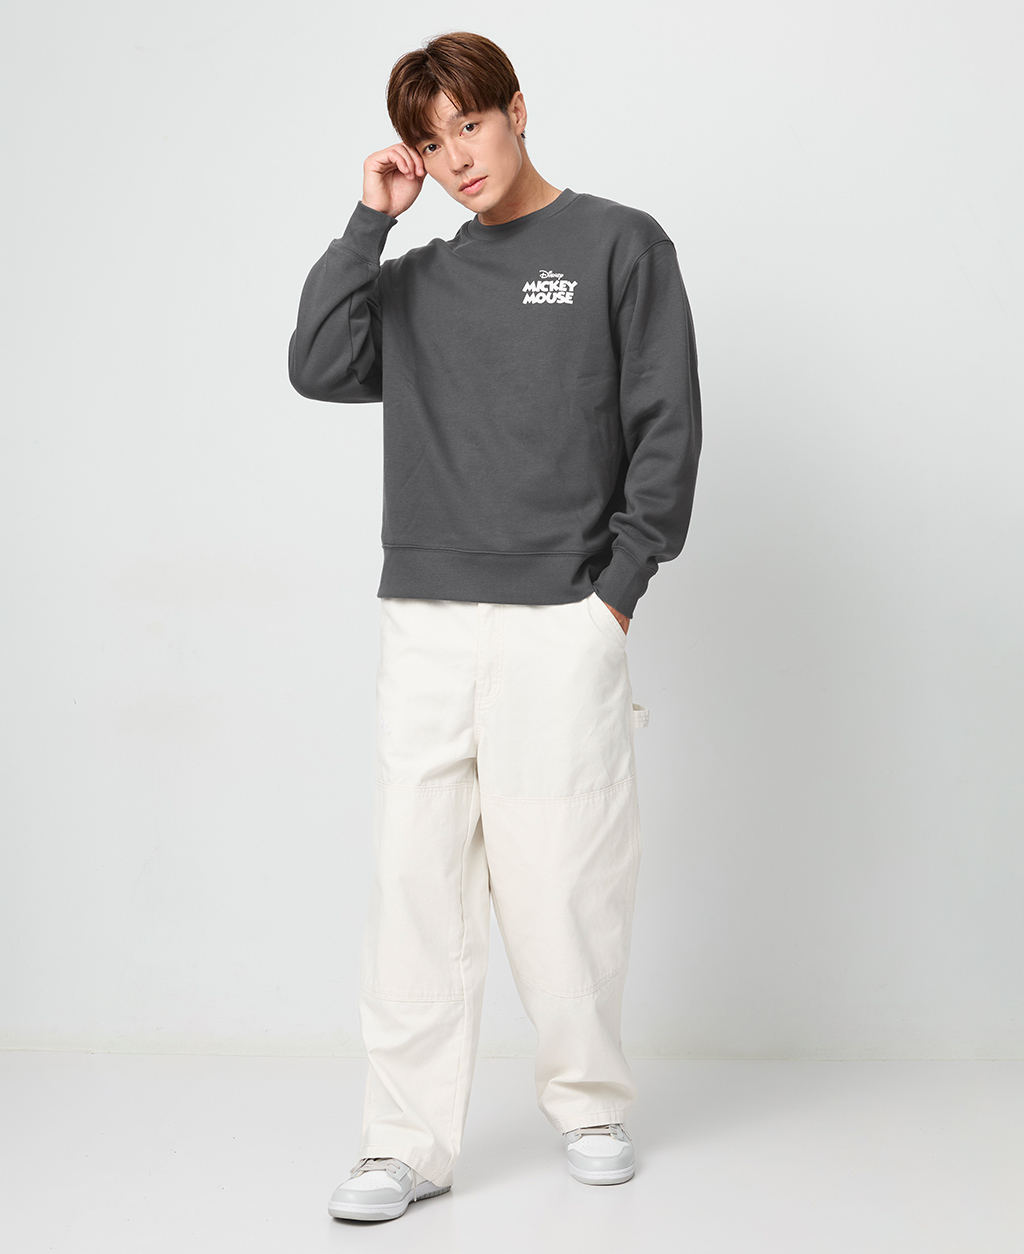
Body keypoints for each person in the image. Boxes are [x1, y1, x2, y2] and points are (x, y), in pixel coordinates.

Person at [287, 29, 702, 1224]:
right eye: (429, 142)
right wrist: (369, 223)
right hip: (424, 618)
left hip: (562, 616)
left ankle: (589, 1105)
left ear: (517, 109)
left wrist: (615, 592)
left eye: (468, 125)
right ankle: (403, 1143)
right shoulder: (416, 281)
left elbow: (665, 423)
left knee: (566, 876)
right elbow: (317, 364)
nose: (455, 157)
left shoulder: (619, 243)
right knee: (414, 884)